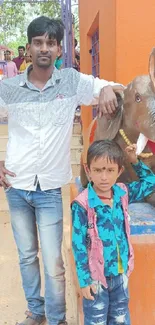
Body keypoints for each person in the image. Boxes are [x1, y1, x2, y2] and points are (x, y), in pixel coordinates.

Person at [0, 16, 123, 325]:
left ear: (59, 48)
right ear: (28, 49)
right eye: (38, 42)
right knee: (27, 256)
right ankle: (35, 311)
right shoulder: (9, 88)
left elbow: (116, 88)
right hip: (16, 186)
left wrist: (107, 89)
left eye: (51, 43)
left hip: (50, 189)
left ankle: (57, 318)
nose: (45, 48)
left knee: (54, 261)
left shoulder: (70, 82)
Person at [71, 139, 155, 325]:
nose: (104, 177)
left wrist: (134, 160)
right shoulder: (82, 205)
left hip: (120, 274)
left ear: (119, 171)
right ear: (88, 170)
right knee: (96, 321)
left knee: (120, 319)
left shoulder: (122, 193)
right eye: (98, 170)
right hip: (96, 279)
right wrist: (84, 281)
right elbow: (78, 245)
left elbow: (150, 182)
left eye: (110, 170)